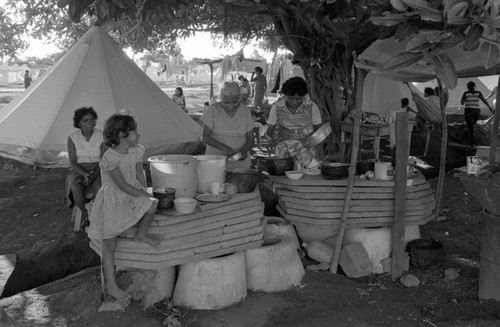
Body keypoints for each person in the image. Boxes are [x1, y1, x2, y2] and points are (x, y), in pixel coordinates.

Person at [87, 114, 160, 306]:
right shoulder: (110, 157)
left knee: (153, 203)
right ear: (121, 134)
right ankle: (111, 285)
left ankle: (140, 235)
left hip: (131, 193)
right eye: (134, 130)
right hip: (113, 199)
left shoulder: (137, 151)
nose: (138, 134)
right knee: (109, 245)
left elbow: (139, 174)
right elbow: (121, 186)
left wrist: (145, 193)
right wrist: (142, 195)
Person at [65, 107, 104, 231]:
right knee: (75, 187)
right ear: (79, 123)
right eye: (85, 120)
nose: (90, 123)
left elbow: (104, 159)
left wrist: (93, 175)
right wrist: (85, 174)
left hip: (99, 168)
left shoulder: (101, 135)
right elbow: (72, 161)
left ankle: (94, 214)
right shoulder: (72, 137)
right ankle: (88, 216)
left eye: (92, 120)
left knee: (99, 188)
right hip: (79, 169)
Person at [200, 81, 255, 169]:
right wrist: (226, 149)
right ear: (220, 98)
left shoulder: (245, 111)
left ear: (239, 98)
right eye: (226, 102)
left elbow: (251, 138)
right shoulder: (212, 110)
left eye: (234, 102)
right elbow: (205, 137)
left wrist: (244, 150)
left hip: (240, 162)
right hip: (214, 161)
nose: (230, 105)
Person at [266, 77, 322, 147]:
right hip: (284, 148)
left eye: (298, 99)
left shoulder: (311, 106)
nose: (294, 101)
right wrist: (270, 140)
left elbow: (319, 130)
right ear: (285, 95)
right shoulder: (277, 107)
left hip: (307, 150)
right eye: (290, 98)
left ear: (304, 96)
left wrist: (311, 144)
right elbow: (269, 131)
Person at [461, 81, 493, 146]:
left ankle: (471, 143)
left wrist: (463, 100)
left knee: (470, 127)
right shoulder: (478, 93)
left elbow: (462, 103)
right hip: (476, 111)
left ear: (468, 87)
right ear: (474, 86)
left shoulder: (466, 93)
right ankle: (467, 137)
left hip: (468, 111)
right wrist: (489, 107)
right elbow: (484, 100)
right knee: (471, 126)